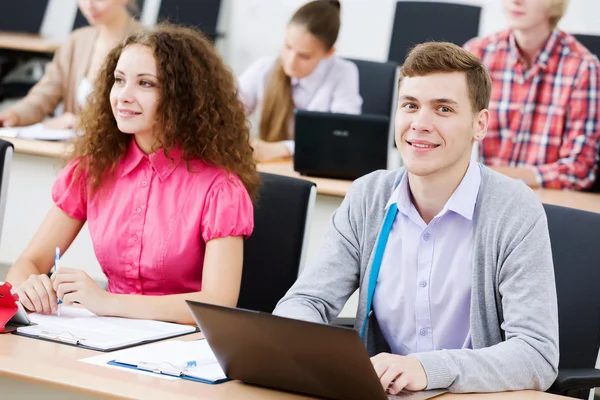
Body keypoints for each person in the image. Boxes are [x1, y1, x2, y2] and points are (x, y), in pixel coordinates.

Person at [273, 42, 559, 394]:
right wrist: (309, 348)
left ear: (479, 124)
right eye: (410, 106)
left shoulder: (514, 209)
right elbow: (305, 302)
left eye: (443, 109)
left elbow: (536, 355)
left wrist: (428, 369)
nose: (420, 124)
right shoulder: (368, 197)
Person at [6, 24, 259, 325]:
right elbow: (28, 263)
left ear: (182, 97)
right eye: (119, 80)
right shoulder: (93, 170)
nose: (123, 96)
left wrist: (107, 302)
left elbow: (218, 302)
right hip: (104, 339)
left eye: (146, 84)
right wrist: (28, 285)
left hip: (184, 351)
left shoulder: (220, 189)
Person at [464, 0, 600, 190]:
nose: (515, 2)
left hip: (541, 202)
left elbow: (579, 170)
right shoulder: (476, 54)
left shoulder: (583, 68)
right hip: (474, 194)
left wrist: (488, 175)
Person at [238, 0, 362, 161]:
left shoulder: (343, 73)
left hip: (316, 169)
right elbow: (226, 112)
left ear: (329, 53)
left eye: (304, 56)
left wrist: (285, 148)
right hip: (267, 169)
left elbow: (343, 137)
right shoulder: (264, 69)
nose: (290, 61)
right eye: (288, 47)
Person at [0, 0, 141, 130]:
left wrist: (78, 122)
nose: (89, 5)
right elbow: (44, 95)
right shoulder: (77, 40)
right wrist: (14, 115)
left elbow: (147, 114)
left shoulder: (146, 45)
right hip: (71, 149)